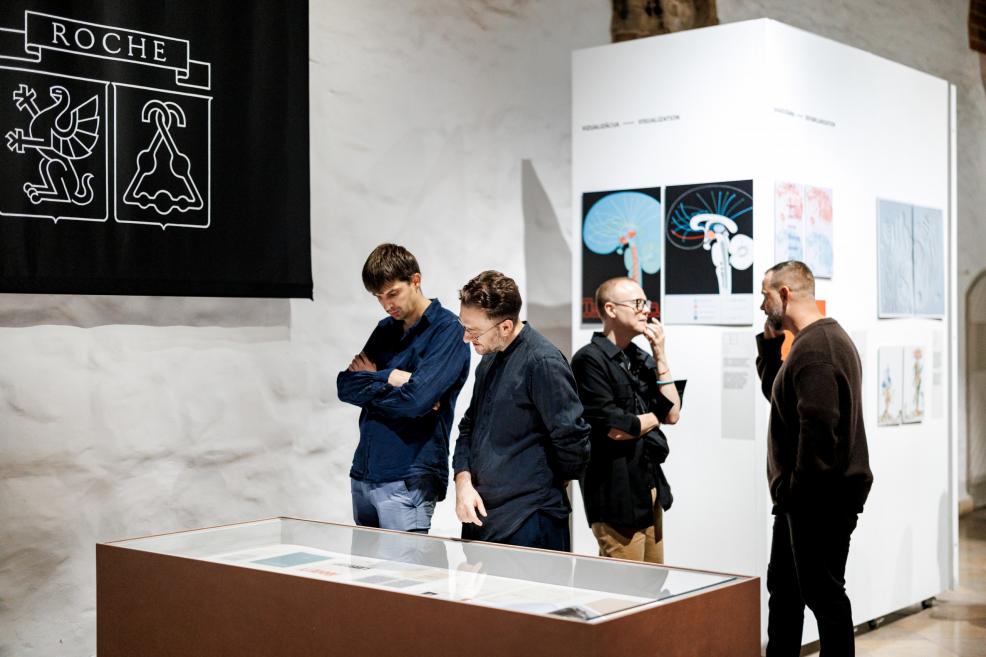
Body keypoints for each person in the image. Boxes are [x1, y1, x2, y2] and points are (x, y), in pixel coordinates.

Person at [755, 260, 873, 656]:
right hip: (804, 501)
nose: (761, 305)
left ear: (784, 294)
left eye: (765, 294)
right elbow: (780, 394)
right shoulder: (813, 343)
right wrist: (770, 343)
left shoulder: (817, 350)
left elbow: (819, 436)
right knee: (787, 595)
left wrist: (793, 493)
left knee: (824, 598)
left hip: (816, 502)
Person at [452, 270, 591, 551]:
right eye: (463, 326)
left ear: (505, 327)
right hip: (484, 519)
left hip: (530, 521)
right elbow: (468, 427)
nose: (466, 338)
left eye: (474, 331)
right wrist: (463, 483)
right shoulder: (489, 360)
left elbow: (574, 443)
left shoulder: (543, 362)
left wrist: (542, 481)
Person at [337, 244, 471, 533]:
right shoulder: (385, 329)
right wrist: (391, 377)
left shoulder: (448, 330)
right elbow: (345, 386)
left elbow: (417, 401)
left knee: (403, 575)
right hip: (364, 473)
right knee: (362, 576)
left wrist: (372, 381)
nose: (387, 304)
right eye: (379, 297)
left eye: (392, 293)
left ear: (415, 281)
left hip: (408, 476)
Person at [571, 277, 681, 563]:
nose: (645, 310)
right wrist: (653, 416)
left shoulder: (641, 357)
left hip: (649, 487)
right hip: (615, 495)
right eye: (637, 303)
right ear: (610, 309)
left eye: (646, 303)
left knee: (653, 582)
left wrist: (660, 354)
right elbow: (619, 429)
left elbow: (673, 413)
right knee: (625, 589)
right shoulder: (588, 361)